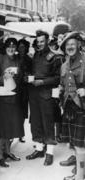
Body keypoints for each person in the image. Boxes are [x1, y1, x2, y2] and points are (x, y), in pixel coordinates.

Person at [26, 30, 62, 166]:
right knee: (36, 122)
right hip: (34, 94)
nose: (40, 44)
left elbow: (58, 78)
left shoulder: (54, 56)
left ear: (47, 41)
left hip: (47, 95)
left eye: (42, 41)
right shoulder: (36, 55)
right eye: (38, 41)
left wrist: (42, 82)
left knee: (48, 123)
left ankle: (50, 153)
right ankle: (39, 149)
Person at [0, 38, 24, 167]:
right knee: (2, 128)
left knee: (11, 128)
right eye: (9, 47)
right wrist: (5, 76)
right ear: (5, 48)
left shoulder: (17, 60)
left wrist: (20, 75)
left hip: (15, 98)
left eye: (13, 47)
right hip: (3, 99)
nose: (11, 49)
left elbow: (20, 77)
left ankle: (7, 152)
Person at [60, 31, 85, 180]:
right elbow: (63, 84)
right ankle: (79, 173)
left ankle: (80, 177)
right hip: (69, 107)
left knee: (81, 145)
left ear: (79, 45)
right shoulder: (64, 65)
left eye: (72, 44)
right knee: (75, 143)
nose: (70, 47)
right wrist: (60, 92)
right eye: (67, 45)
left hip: (82, 106)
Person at [17, 38, 32, 143]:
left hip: (25, 89)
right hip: (15, 88)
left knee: (22, 112)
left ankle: (20, 134)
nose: (21, 48)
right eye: (20, 46)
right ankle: (14, 132)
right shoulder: (15, 58)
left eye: (23, 46)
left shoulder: (29, 60)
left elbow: (32, 74)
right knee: (14, 111)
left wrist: (29, 77)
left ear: (26, 48)